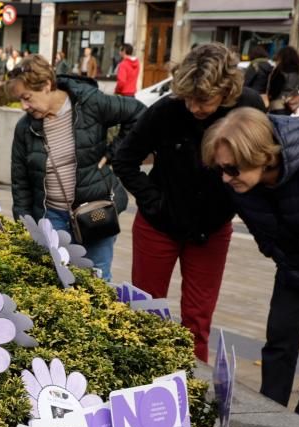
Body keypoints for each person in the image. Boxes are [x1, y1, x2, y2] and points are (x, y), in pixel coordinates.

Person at [202, 107, 299, 427]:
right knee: (279, 343)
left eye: (232, 168)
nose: (225, 177)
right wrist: (276, 250)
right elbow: (259, 224)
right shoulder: (238, 182)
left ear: (261, 156)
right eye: (220, 168)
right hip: (294, 267)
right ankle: (271, 419)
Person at [112, 42, 266, 361]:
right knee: (145, 313)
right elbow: (124, 158)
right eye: (189, 98)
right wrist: (153, 201)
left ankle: (191, 388)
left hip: (211, 229)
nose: (195, 107)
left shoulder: (248, 107)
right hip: (159, 225)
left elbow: (260, 162)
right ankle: (146, 380)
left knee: (198, 319)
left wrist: (238, 203)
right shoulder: (168, 109)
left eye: (204, 100)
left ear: (226, 91)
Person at [8, 55, 145, 280]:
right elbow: (20, 183)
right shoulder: (25, 128)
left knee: (97, 278)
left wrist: (114, 154)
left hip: (95, 211)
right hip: (51, 216)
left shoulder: (90, 103)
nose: (24, 106)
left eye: (27, 98)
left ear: (46, 85)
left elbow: (139, 114)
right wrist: (26, 228)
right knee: (57, 280)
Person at [267, 46, 299, 116]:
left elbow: (274, 89)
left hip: (278, 104)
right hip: (291, 104)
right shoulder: (297, 72)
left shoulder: (279, 72)